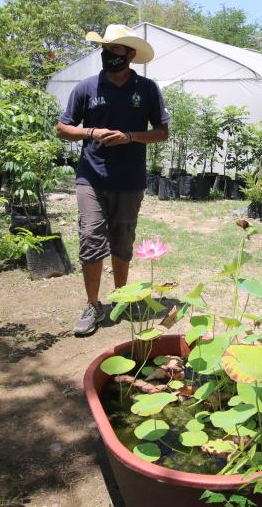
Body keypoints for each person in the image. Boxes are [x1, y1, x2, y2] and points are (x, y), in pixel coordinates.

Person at [56, 24, 170, 336]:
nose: (108, 55)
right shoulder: (86, 88)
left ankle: (121, 299)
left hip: (129, 179)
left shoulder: (147, 89)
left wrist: (130, 136)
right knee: (91, 238)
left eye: (116, 50)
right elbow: (63, 128)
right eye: (105, 49)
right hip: (91, 177)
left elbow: (162, 132)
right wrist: (91, 132)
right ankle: (93, 305)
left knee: (122, 240)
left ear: (131, 55)